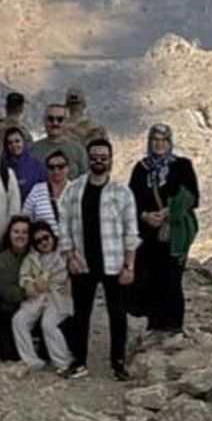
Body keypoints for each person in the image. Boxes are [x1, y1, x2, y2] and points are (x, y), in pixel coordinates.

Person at [59, 138, 140, 381]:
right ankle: (79, 361)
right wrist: (70, 256)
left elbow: (131, 231)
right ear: (88, 158)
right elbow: (63, 226)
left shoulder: (121, 192)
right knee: (81, 314)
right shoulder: (73, 190)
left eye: (103, 157)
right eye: (94, 157)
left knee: (117, 314)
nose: (99, 161)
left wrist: (129, 265)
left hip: (114, 262)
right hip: (82, 261)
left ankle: (118, 364)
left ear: (111, 160)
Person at [128, 123, 199, 336]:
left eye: (163, 140)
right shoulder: (141, 169)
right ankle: (155, 324)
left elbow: (193, 197)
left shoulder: (182, 166)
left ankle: (173, 325)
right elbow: (131, 200)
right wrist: (146, 216)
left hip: (173, 231)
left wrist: (169, 211)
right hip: (148, 232)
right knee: (150, 276)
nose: (159, 144)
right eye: (155, 140)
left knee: (172, 276)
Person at [14, 222, 74, 373]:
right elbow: (24, 275)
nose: (44, 243)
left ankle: (63, 362)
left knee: (48, 324)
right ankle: (31, 360)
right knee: (19, 320)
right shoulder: (31, 258)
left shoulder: (65, 253)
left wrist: (70, 282)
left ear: (52, 236)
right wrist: (29, 283)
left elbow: (76, 271)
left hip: (58, 297)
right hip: (37, 296)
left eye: (46, 238)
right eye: (38, 241)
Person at [0, 216, 32, 362]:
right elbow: (5, 291)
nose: (20, 236)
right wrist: (26, 293)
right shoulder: (2, 258)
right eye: (16, 232)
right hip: (10, 308)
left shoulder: (37, 255)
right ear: (9, 234)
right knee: (9, 355)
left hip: (37, 305)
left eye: (25, 232)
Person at [22, 150, 71, 239]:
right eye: (51, 167)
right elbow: (25, 218)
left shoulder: (76, 189)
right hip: (43, 244)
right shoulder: (37, 190)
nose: (56, 171)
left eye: (60, 167)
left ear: (68, 168)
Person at [31, 104, 87, 179]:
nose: (55, 123)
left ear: (66, 122)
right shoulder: (33, 150)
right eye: (50, 119)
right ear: (45, 121)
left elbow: (85, 178)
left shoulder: (78, 150)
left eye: (60, 119)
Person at [2, 126, 44, 203]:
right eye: (10, 143)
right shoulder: (2, 166)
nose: (14, 145)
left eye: (17, 141)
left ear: (23, 142)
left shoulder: (36, 165)